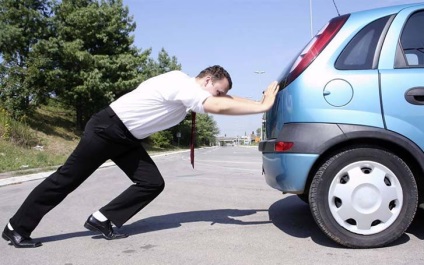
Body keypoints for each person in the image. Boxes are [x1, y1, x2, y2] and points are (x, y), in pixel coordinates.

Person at [2, 65, 279, 248]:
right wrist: (261, 106)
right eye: (218, 89)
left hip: (125, 138)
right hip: (106, 129)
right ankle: (16, 227)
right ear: (207, 80)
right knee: (66, 180)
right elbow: (217, 105)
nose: (220, 95)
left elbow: (224, 100)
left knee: (151, 182)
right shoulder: (181, 84)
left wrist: (261, 103)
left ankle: (102, 219)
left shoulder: (191, 91)